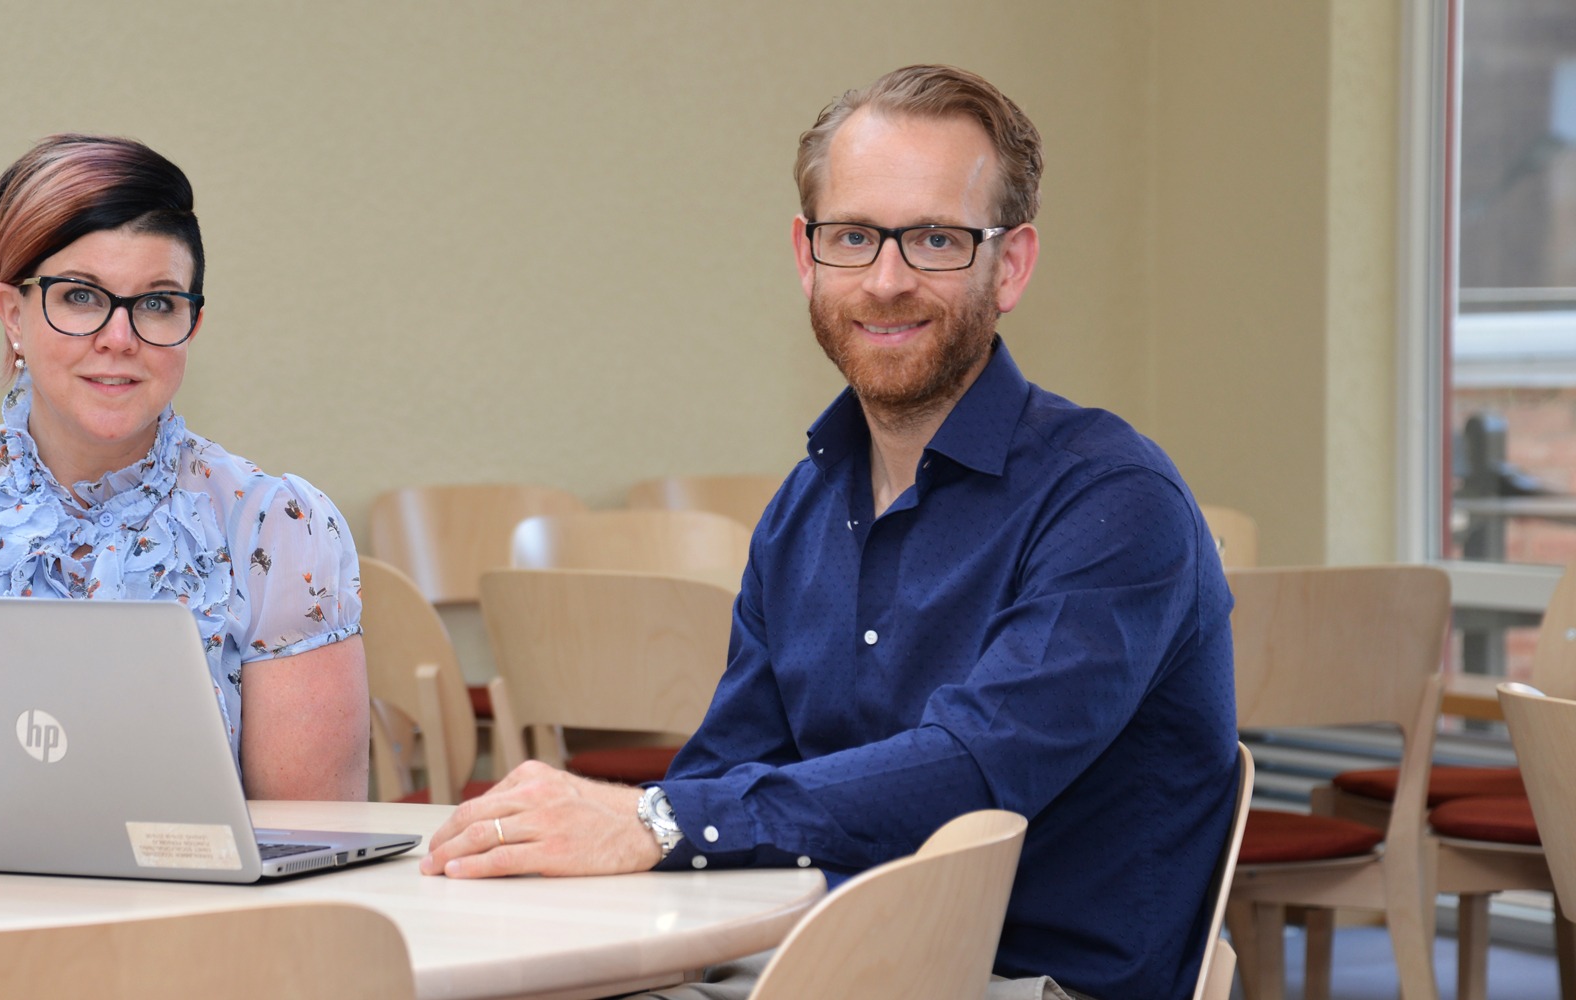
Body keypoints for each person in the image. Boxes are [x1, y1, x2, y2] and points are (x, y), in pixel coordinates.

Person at [419, 65, 1237, 1000]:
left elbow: (976, 773)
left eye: (935, 238)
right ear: (807, 257)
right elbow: (729, 771)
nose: (886, 281)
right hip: (816, 960)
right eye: (854, 236)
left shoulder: (1113, 502)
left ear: (1009, 265)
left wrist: (653, 821)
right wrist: (595, 837)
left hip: (1020, 983)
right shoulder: (803, 509)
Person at [0, 135, 369, 828]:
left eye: (159, 303)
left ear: (193, 323)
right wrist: (73, 805)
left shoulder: (280, 527)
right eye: (80, 297)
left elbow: (316, 829)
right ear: (12, 314)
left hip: (190, 928)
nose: (120, 337)